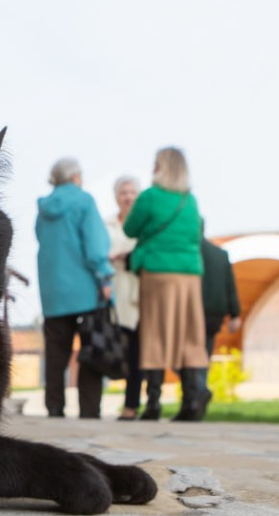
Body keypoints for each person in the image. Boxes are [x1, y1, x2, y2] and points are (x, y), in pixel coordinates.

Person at [123, 148, 209, 422]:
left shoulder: (150, 197)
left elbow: (129, 228)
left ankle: (154, 403)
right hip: (189, 275)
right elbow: (196, 234)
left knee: (155, 334)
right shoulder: (190, 201)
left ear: (161, 167)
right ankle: (191, 401)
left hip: (158, 272)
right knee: (190, 336)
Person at [36, 158, 114, 419]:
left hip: (52, 292)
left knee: (56, 353)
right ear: (76, 177)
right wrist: (104, 278)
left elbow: (40, 238)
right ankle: (89, 410)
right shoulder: (84, 201)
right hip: (85, 291)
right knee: (91, 350)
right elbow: (95, 245)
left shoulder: (44, 208)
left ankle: (54, 407)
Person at [106, 176, 143, 421]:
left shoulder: (144, 224)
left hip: (137, 294)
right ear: (116, 196)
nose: (128, 197)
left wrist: (128, 256)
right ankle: (93, 404)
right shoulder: (106, 224)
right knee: (109, 349)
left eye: (132, 192)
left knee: (136, 352)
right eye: (123, 192)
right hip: (112, 292)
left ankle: (131, 405)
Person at [200, 235, 242, 358]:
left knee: (187, 352)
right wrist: (234, 314)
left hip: (193, 311)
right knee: (206, 349)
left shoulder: (191, 252)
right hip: (214, 314)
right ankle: (202, 369)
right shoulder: (220, 254)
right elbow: (230, 286)